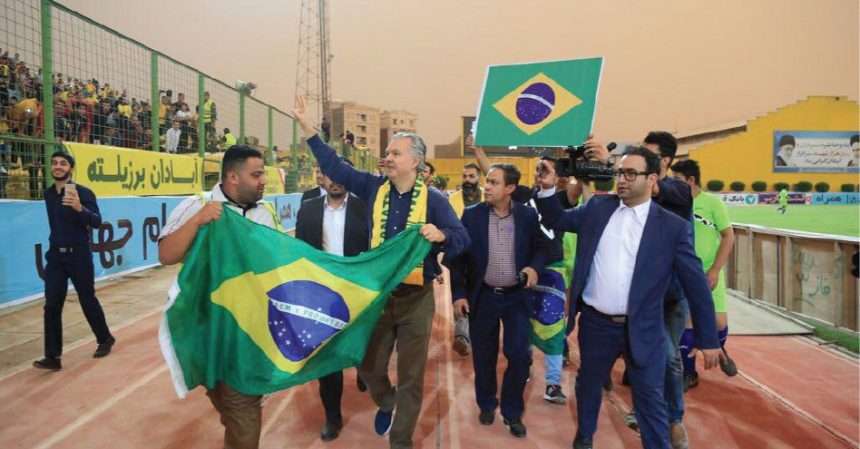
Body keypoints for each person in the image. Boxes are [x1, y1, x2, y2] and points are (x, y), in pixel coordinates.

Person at [293, 95, 469, 449]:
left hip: (417, 299)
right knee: (369, 368)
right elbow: (337, 167)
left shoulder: (434, 201)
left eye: (395, 153)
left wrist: (443, 235)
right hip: (378, 296)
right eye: (387, 152)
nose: (386, 157)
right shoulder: (375, 190)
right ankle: (387, 402)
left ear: (415, 162)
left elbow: (464, 239)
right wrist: (309, 129)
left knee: (411, 377)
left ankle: (400, 441)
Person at [535, 147, 721, 449]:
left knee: (650, 398)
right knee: (588, 386)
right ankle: (584, 437)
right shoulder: (597, 208)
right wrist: (545, 189)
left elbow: (696, 284)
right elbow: (557, 220)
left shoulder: (671, 227)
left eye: (631, 173)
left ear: (652, 179)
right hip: (596, 325)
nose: (622, 179)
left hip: (645, 327)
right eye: (620, 172)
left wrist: (709, 339)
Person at [158, 145, 281, 449]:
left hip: (247, 334)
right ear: (232, 177)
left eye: (262, 173)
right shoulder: (197, 205)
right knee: (228, 404)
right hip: (207, 331)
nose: (263, 180)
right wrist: (198, 221)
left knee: (243, 411)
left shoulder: (266, 213)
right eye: (256, 174)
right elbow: (166, 254)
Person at [451, 163, 551, 438]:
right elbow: (458, 259)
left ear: (510, 188)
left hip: (517, 298)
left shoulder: (529, 216)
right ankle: (486, 403)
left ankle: (512, 411)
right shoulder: (471, 216)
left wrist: (534, 267)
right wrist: (458, 294)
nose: (487, 186)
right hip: (483, 297)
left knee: (519, 356)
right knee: (483, 357)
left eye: (494, 182)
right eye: (488, 181)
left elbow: (544, 247)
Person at [295, 160, 370, 442]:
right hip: (323, 296)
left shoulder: (366, 209)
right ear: (322, 178)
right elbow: (302, 253)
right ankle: (332, 417)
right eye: (329, 174)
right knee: (328, 359)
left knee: (365, 348)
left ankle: (364, 369)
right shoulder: (309, 209)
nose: (335, 180)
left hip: (360, 292)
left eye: (341, 174)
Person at [33, 151, 115, 371]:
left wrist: (80, 208)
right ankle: (53, 357)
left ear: (71, 168)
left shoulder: (84, 193)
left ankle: (105, 338)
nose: (58, 166)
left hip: (78, 254)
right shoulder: (49, 194)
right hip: (56, 257)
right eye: (54, 163)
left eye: (63, 163)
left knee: (87, 299)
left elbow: (97, 222)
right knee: (51, 305)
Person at [670, 159, 738, 390]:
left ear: (691, 180)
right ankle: (689, 373)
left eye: (677, 179)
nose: (671, 184)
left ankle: (716, 345)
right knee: (687, 323)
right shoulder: (673, 203)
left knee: (718, 323)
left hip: (709, 273)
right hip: (682, 273)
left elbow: (728, 236)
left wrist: (716, 269)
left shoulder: (712, 204)